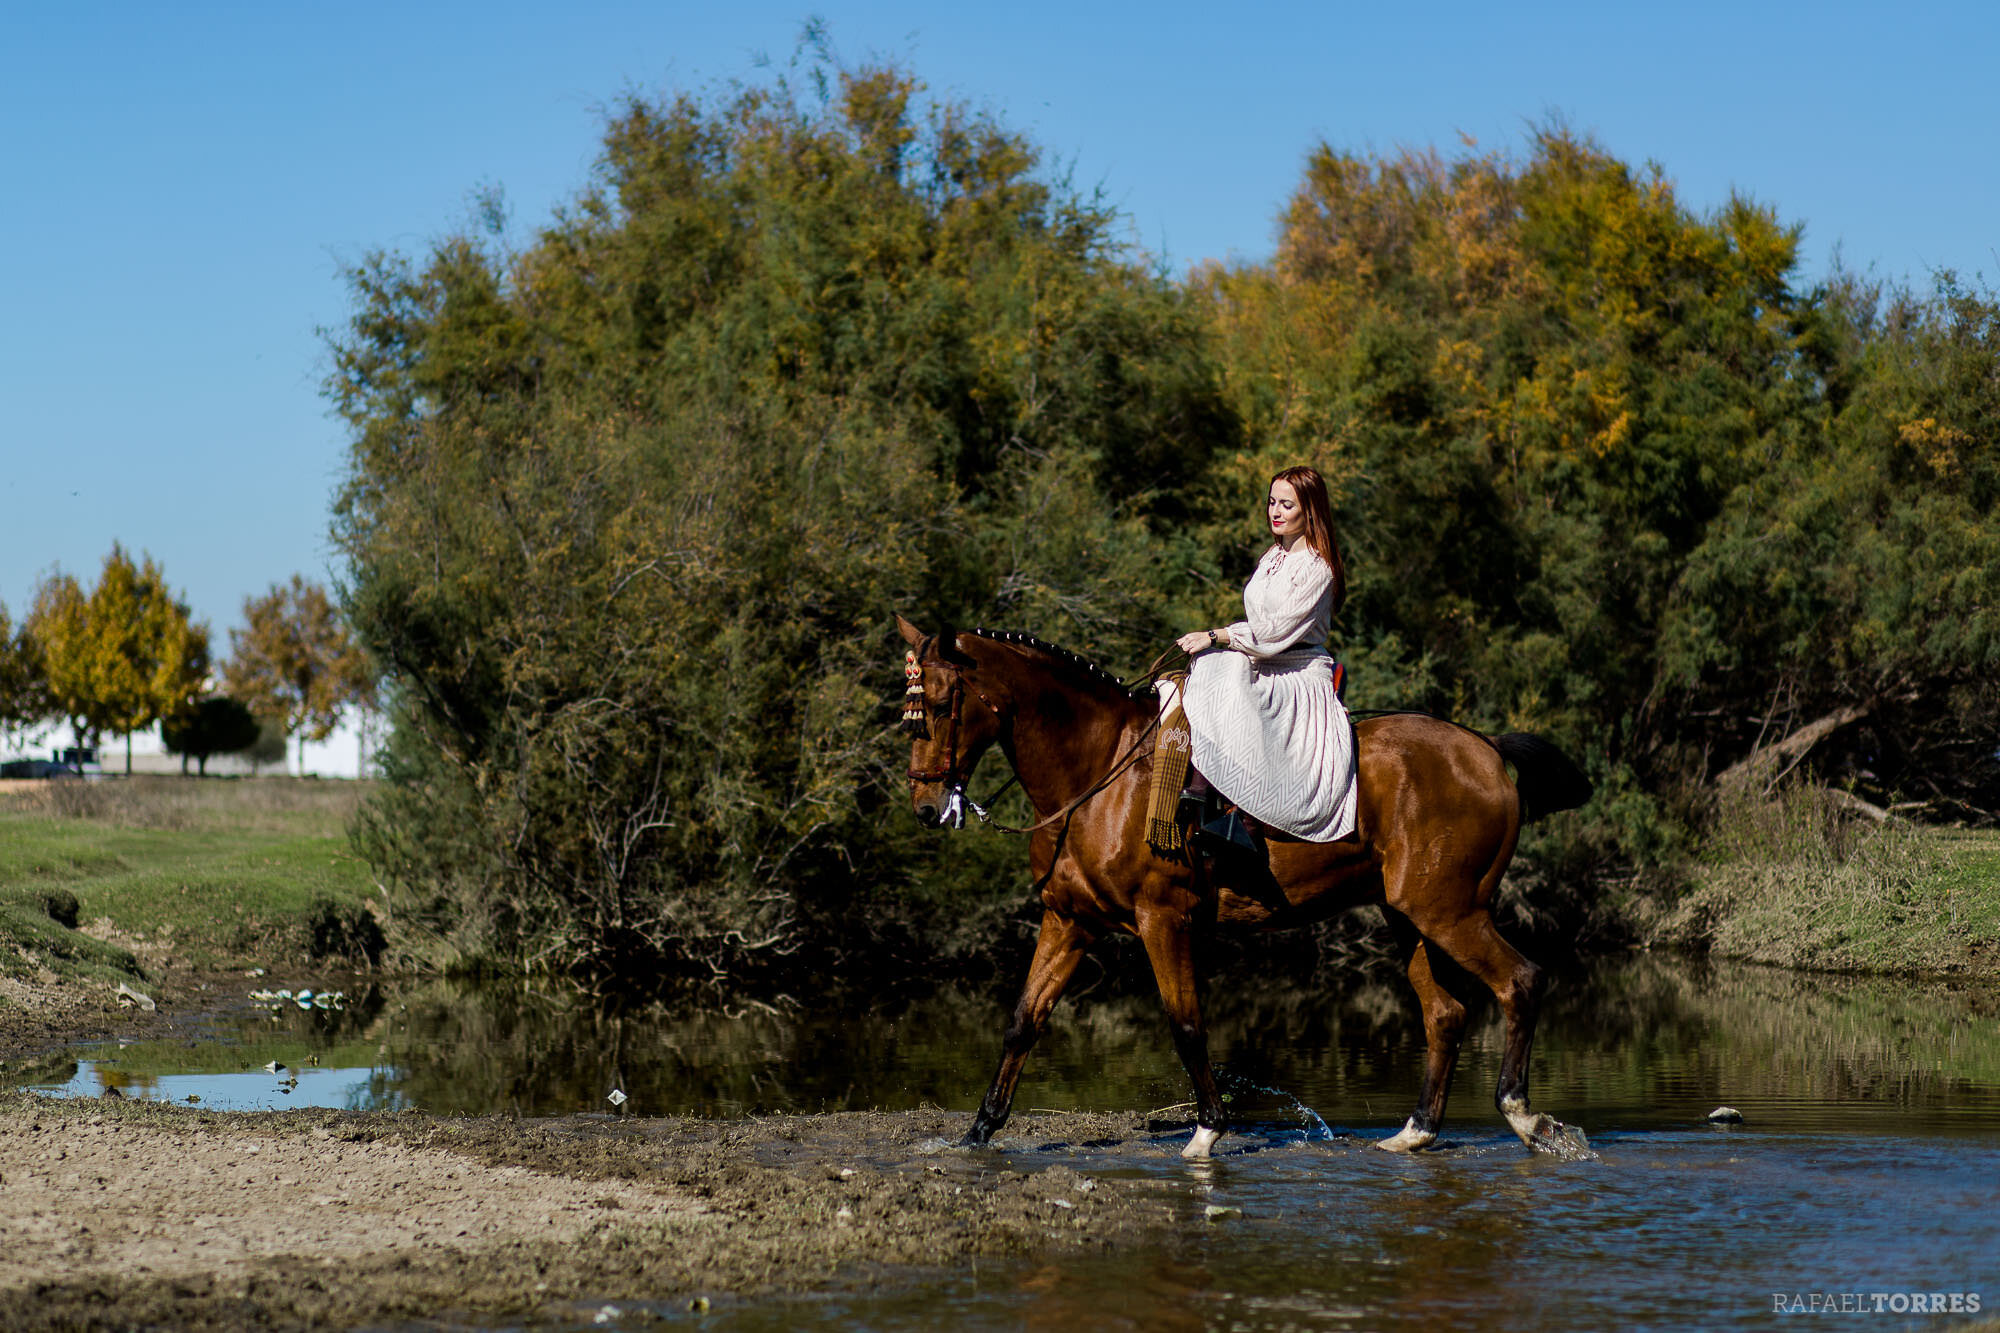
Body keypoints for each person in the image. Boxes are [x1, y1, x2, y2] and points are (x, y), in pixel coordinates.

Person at [1170, 465, 1358, 846]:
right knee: (1210, 669)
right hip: (1263, 657)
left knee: (1227, 670)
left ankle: (1245, 818)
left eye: (1286, 504)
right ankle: (1201, 785)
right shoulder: (1272, 556)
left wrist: (1216, 635)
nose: (1275, 511)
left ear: (1310, 511)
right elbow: (1260, 625)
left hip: (1297, 669)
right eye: (1272, 501)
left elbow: (1274, 632)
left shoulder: (1318, 568)